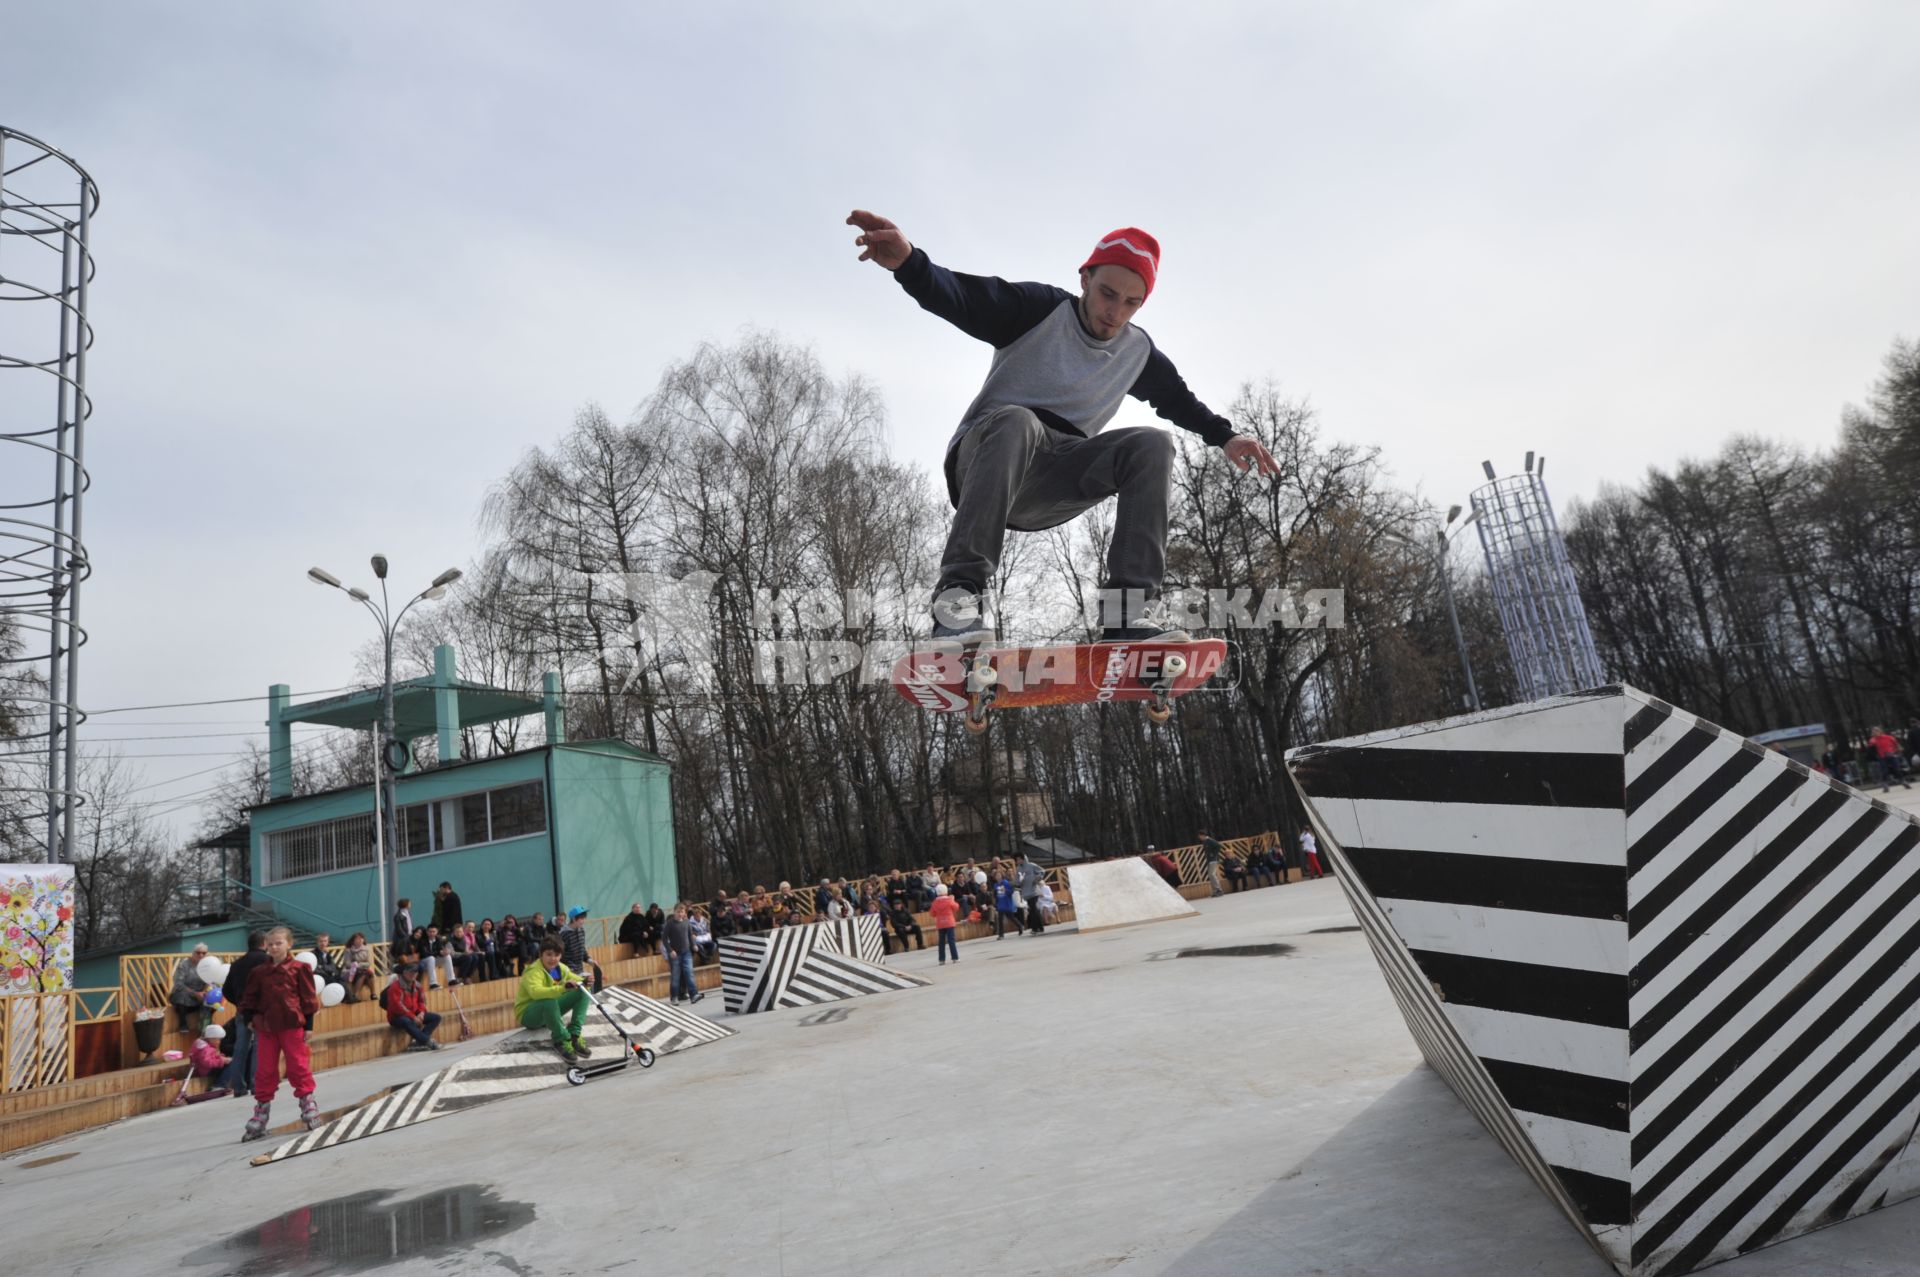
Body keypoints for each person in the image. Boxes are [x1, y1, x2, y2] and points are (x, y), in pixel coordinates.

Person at [848, 210, 1280, 644]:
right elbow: (962, 297)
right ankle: (958, 603)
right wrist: (909, 264)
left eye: (1131, 303)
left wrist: (1226, 436)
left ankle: (1125, 618)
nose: (1114, 313)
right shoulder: (1038, 309)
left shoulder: (1138, 352)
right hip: (989, 458)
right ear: (1085, 279)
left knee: (1152, 444)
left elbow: (1178, 401)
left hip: (1055, 480)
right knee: (1020, 421)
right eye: (1107, 294)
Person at [238, 927, 323, 1140]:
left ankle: (307, 1102)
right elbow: (249, 997)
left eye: (279, 943)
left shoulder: (300, 968)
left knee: (298, 1064)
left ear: (289, 944)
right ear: (265, 945)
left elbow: (308, 999)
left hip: (292, 1025)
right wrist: (249, 1019)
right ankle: (261, 1110)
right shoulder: (258, 972)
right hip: (266, 1027)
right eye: (271, 944)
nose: (274, 947)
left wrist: (309, 1026)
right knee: (265, 1069)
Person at [516, 938, 593, 1063]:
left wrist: (585, 981)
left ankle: (574, 1034)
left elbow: (576, 980)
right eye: (549, 955)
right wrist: (562, 988)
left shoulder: (559, 968)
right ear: (541, 955)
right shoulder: (533, 971)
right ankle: (560, 1040)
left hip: (550, 1009)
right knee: (548, 1000)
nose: (553, 959)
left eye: (557, 955)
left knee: (583, 990)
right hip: (529, 1015)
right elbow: (536, 993)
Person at [219, 931, 269, 1097]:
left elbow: (226, 990)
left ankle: (238, 1086)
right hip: (260, 1009)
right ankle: (256, 1084)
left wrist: (239, 1002)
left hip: (242, 1009)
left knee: (240, 1047)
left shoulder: (237, 963)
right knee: (259, 1046)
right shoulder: (265, 960)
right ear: (264, 944)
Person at [382, 961, 443, 1051]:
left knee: (436, 1018)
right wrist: (413, 1017)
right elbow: (397, 1006)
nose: (413, 975)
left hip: (414, 1014)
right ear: (404, 973)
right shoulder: (395, 987)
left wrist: (421, 1013)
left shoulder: (418, 985)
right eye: (410, 972)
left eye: (415, 972)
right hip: (397, 1017)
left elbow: (422, 1002)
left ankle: (418, 1042)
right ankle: (426, 1041)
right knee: (406, 1021)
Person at [661, 904, 703, 1005]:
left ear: (684, 913)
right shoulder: (670, 924)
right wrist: (670, 950)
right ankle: (674, 997)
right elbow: (664, 939)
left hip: (686, 952)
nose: (680, 914)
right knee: (675, 976)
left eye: (682, 912)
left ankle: (693, 995)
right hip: (675, 954)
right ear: (674, 912)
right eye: (678, 912)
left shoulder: (687, 922)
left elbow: (690, 936)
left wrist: (693, 945)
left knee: (689, 973)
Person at [559, 906, 605, 992]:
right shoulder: (563, 934)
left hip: (579, 970)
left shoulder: (581, 931)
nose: (583, 921)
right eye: (581, 918)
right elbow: (560, 956)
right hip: (568, 972)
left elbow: (582, 950)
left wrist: (590, 960)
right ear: (573, 919)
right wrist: (570, 970)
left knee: (590, 984)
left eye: (584, 918)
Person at [169, 944, 213, 1034]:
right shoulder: (184, 964)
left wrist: (204, 992)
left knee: (211, 998)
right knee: (181, 996)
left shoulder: (207, 966)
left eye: (203, 953)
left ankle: (204, 1029)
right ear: (193, 953)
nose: (201, 955)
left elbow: (210, 982)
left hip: (199, 995)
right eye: (198, 953)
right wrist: (195, 993)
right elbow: (179, 984)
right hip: (184, 993)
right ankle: (183, 1025)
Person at [1868, 726, 1912, 792]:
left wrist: (1895, 752)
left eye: (1876, 731)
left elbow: (1897, 745)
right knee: (1884, 771)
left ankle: (1903, 781)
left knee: (1897, 769)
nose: (1875, 733)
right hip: (1881, 757)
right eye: (1873, 732)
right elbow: (1871, 750)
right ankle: (1885, 785)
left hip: (1891, 755)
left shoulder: (1888, 737)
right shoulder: (1873, 740)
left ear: (1880, 731)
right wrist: (1876, 755)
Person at [338, 932, 377, 1004]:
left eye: (361, 938)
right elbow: (347, 963)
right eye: (358, 939)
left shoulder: (366, 949)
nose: (360, 940)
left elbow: (368, 963)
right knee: (364, 973)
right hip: (350, 971)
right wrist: (354, 965)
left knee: (368, 974)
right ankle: (355, 995)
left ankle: (373, 994)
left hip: (362, 969)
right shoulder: (348, 950)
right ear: (353, 940)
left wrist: (359, 965)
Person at [929, 884, 961, 964]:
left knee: (941, 942)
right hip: (949, 922)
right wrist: (953, 900)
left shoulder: (935, 902)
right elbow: (956, 907)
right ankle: (955, 958)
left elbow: (932, 914)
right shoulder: (949, 900)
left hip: (940, 923)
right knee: (951, 941)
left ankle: (941, 960)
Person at [1017, 854, 1045, 935]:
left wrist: (1037, 879)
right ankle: (1040, 927)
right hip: (1026, 893)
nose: (1018, 861)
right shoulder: (1018, 869)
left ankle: (1035, 928)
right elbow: (1017, 880)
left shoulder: (1031, 865)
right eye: (1017, 860)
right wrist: (1020, 881)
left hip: (1033, 891)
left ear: (1023, 859)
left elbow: (1042, 871)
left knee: (1033, 909)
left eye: (1019, 859)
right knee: (1033, 910)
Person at [1197, 830, 1226, 897]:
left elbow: (1218, 846)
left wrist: (1214, 854)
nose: (1199, 838)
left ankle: (1219, 890)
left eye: (1199, 836)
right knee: (1211, 875)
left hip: (1213, 860)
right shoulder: (1205, 842)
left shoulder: (1210, 840)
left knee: (1212, 874)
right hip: (1210, 860)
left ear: (1203, 835)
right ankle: (1215, 890)